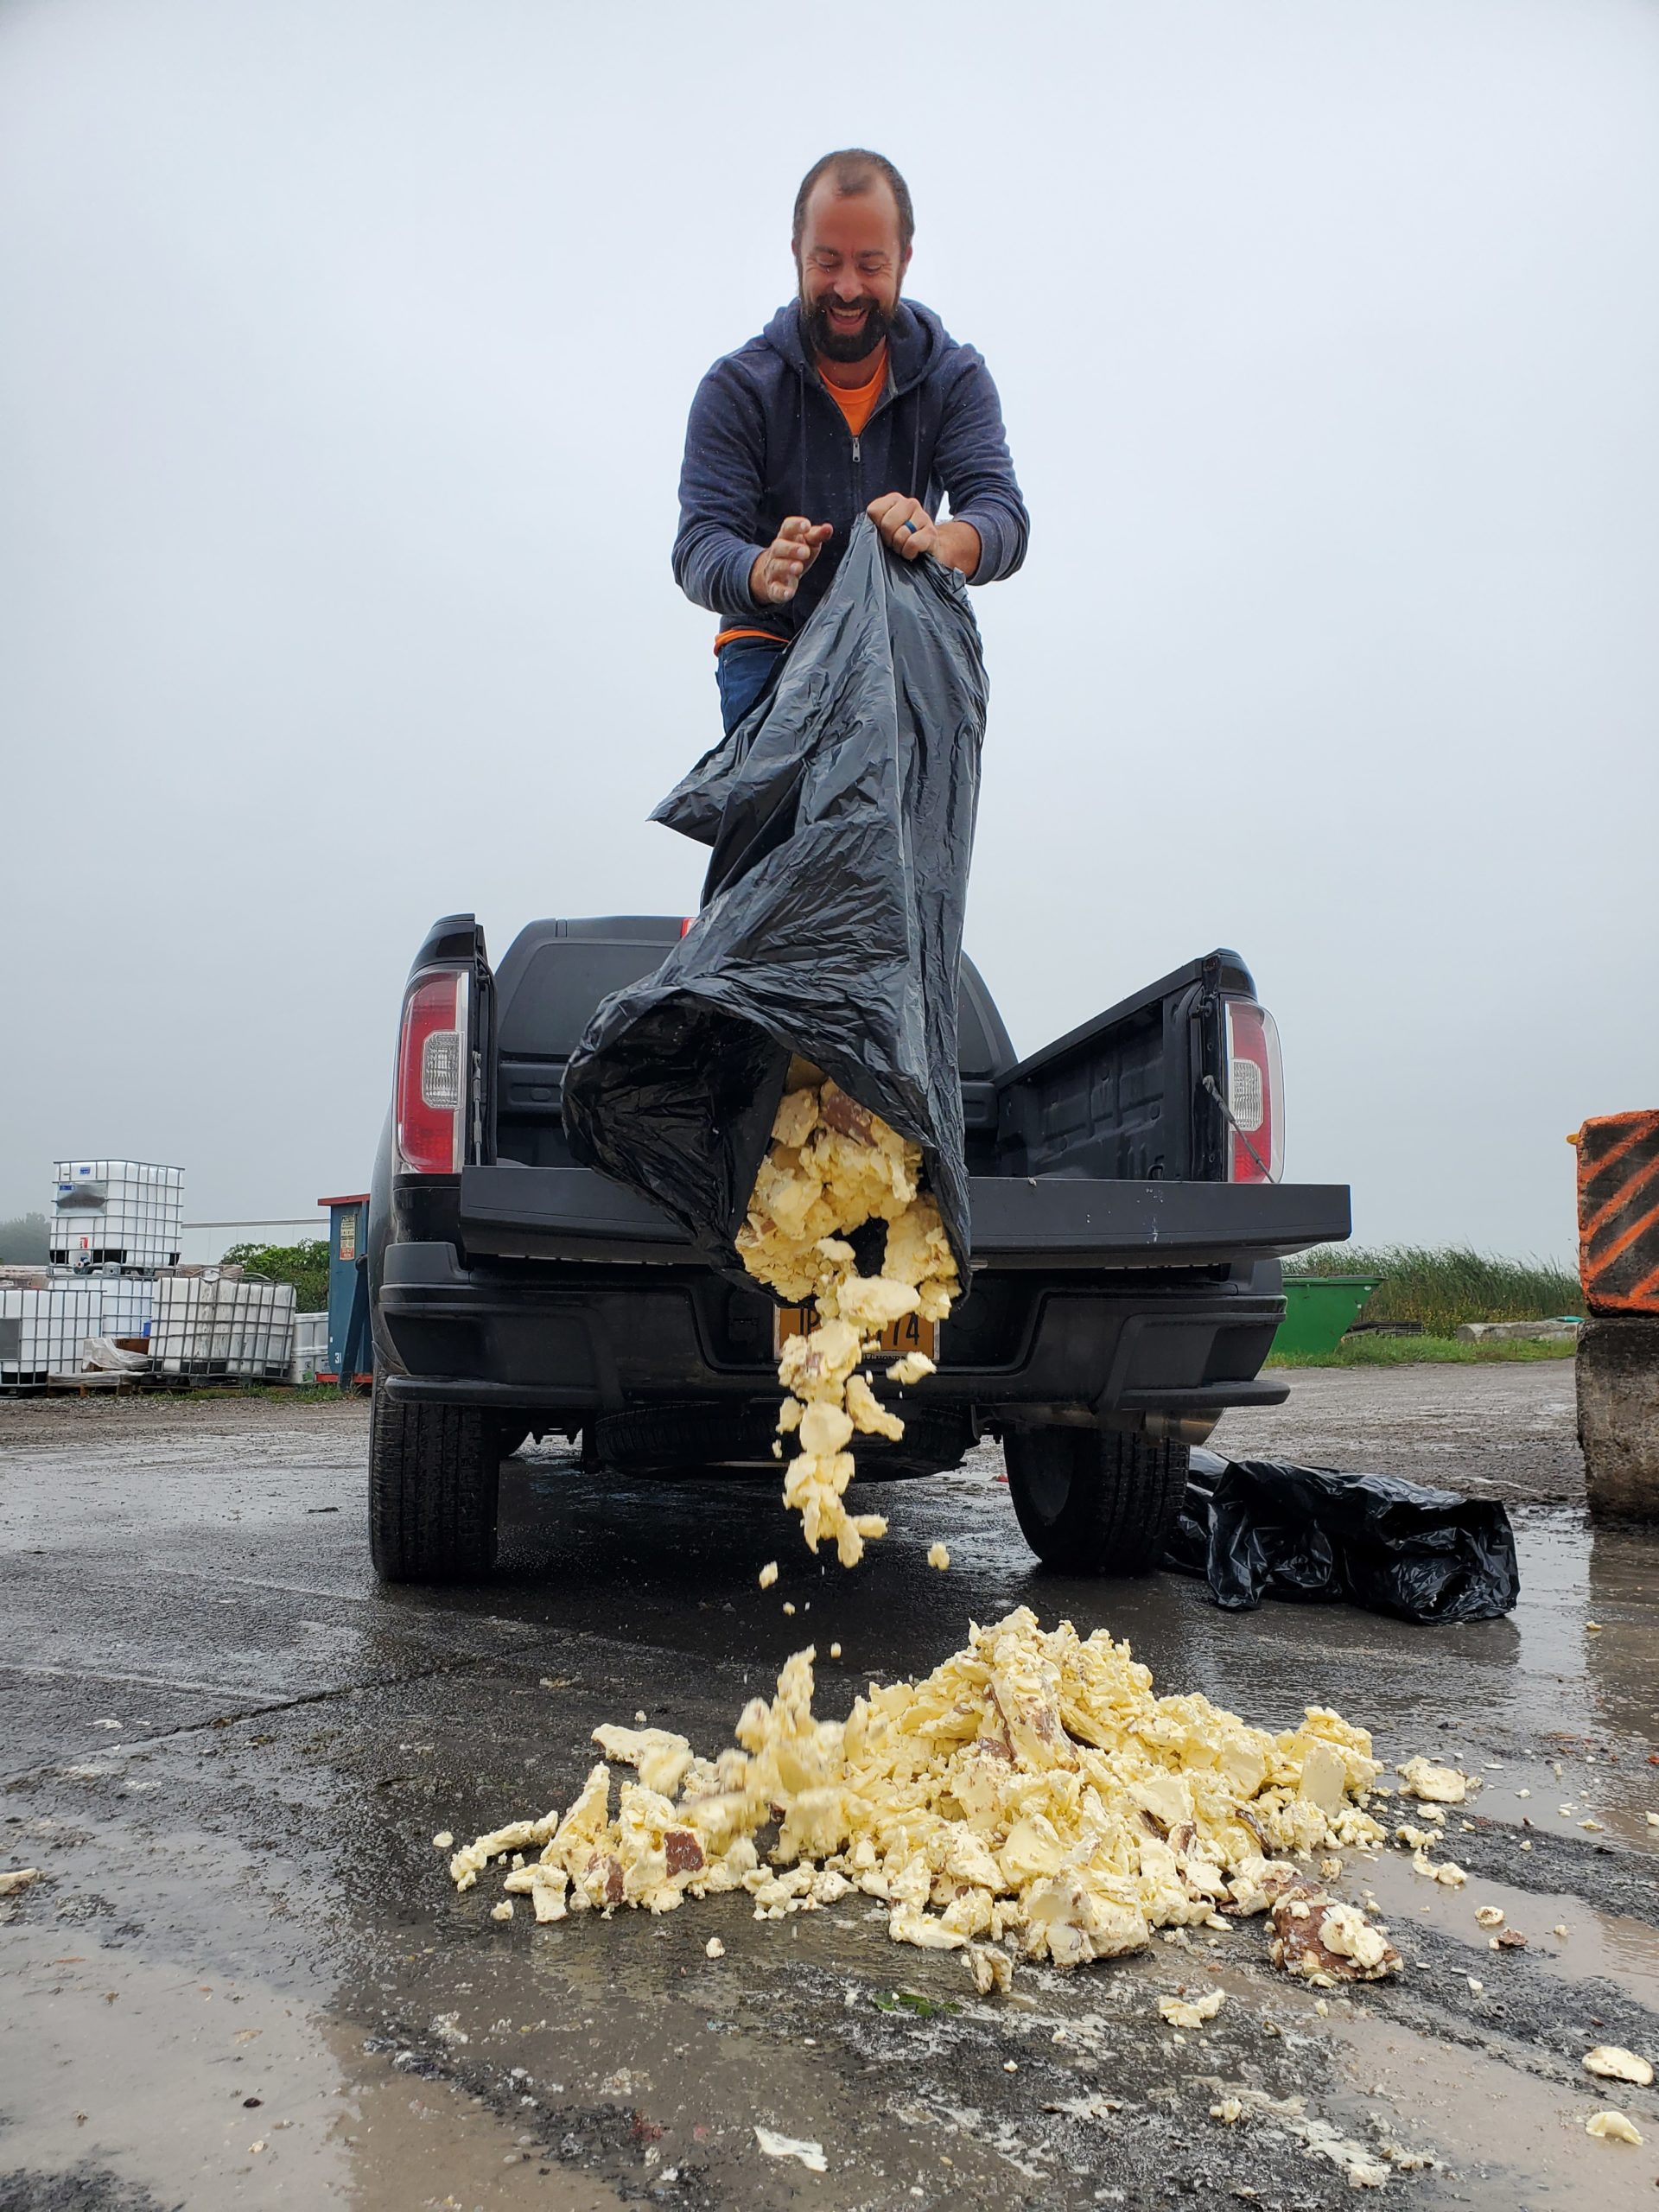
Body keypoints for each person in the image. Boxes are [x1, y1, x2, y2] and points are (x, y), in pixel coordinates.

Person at [673, 148, 1029, 734]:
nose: (846, 288)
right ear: (796, 253)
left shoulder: (953, 377)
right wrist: (762, 569)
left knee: (899, 824)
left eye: (869, 264)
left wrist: (941, 541)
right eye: (827, 261)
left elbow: (1002, 516)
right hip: (769, 643)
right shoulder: (737, 388)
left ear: (904, 260)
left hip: (899, 648)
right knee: (786, 827)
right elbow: (700, 544)